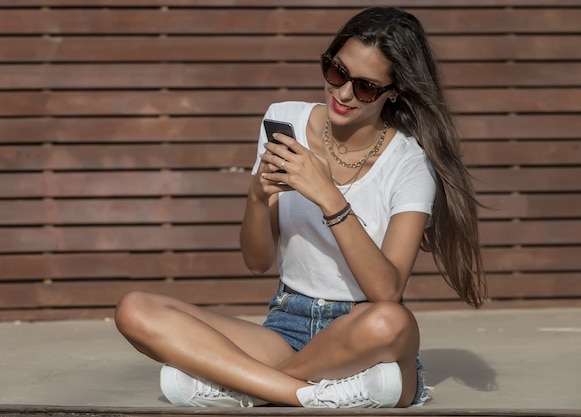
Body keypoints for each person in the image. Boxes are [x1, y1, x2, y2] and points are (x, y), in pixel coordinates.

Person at [114, 6, 486, 409]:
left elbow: (385, 290)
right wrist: (258, 195)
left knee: (393, 321)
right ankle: (312, 395)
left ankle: (241, 383)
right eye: (337, 73)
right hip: (286, 325)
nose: (343, 93)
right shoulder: (283, 118)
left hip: (362, 336)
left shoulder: (409, 163)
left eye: (365, 87)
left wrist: (328, 195)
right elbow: (257, 261)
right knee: (135, 309)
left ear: (393, 91)